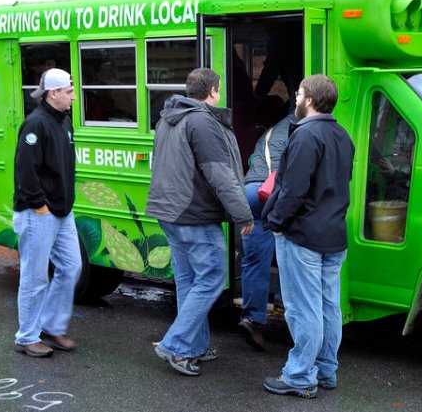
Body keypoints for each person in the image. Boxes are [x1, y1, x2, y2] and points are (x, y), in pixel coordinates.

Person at [146, 68, 254, 376]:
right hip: (193, 214)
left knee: (190, 280)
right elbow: (219, 173)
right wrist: (242, 212)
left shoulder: (169, 118)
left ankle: (194, 347)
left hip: (169, 211)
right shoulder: (203, 121)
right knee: (211, 278)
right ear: (213, 91)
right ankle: (177, 346)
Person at [261, 75, 355, 399]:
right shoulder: (343, 136)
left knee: (303, 308)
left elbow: (293, 190)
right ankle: (326, 370)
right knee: (329, 306)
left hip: (302, 235)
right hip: (334, 234)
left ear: (310, 100)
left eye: (299, 93)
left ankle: (300, 376)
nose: (296, 98)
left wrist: (275, 220)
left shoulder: (304, 136)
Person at [13, 68, 82, 358]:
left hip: (62, 212)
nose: (73, 96)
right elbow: (25, 171)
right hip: (38, 212)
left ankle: (51, 326)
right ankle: (27, 336)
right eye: (69, 91)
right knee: (35, 276)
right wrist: (40, 205)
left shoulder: (65, 121)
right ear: (53, 93)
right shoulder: (35, 125)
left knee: (72, 267)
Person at [239, 113, 296, 351]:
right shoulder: (300, 129)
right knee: (291, 248)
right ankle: (285, 298)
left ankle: (252, 318)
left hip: (252, 191)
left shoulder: (270, 131)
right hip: (273, 192)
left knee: (254, 260)